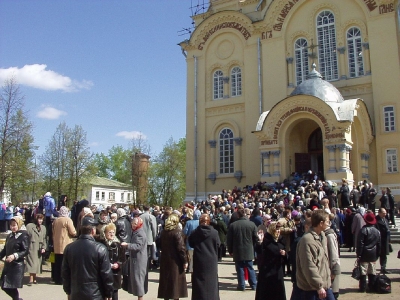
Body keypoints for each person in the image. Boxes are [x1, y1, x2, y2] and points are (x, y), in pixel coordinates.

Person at [62, 216, 114, 300]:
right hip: (95, 294)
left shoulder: (69, 248)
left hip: (76, 293)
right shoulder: (100, 249)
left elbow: (65, 273)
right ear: (93, 231)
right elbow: (106, 274)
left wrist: (68, 291)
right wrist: (109, 293)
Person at [296, 209, 334, 300]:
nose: (329, 224)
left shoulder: (323, 236)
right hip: (311, 289)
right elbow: (309, 265)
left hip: (324, 285)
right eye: (327, 222)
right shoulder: (307, 240)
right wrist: (318, 286)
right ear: (321, 223)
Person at [188, 214, 220, 300]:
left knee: (199, 282)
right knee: (211, 282)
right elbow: (218, 244)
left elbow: (191, 243)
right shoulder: (214, 233)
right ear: (209, 222)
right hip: (211, 260)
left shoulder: (195, 232)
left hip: (199, 259)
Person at [157, 214, 188, 300]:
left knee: (166, 282)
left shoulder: (163, 232)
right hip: (175, 261)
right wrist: (185, 261)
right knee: (175, 285)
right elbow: (181, 248)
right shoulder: (177, 232)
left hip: (165, 259)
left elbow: (158, 243)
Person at [227, 208, 259, 291]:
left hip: (237, 249)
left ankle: (241, 285)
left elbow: (229, 240)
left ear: (238, 215)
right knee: (250, 267)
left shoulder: (233, 225)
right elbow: (256, 238)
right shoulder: (251, 224)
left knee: (240, 268)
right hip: (249, 248)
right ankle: (254, 284)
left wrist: (230, 250)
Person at [255, 221, 286, 300]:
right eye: (276, 229)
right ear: (272, 229)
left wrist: (284, 254)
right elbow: (259, 252)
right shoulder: (266, 239)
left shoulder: (281, 239)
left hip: (278, 271)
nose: (278, 231)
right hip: (267, 271)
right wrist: (260, 241)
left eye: (279, 229)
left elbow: (286, 256)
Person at [0, 217, 29, 300]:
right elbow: (5, 249)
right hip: (8, 265)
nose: (12, 227)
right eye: (11, 225)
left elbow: (25, 250)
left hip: (17, 266)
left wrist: (14, 255)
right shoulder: (9, 236)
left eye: (14, 225)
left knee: (11, 286)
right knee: (4, 285)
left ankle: (16, 299)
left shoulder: (24, 235)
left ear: (18, 225)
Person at [121, 217, 148, 300]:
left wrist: (127, 245)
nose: (133, 225)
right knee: (137, 280)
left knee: (138, 280)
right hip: (136, 259)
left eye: (135, 224)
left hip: (139, 260)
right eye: (132, 223)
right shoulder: (136, 232)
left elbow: (138, 246)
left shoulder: (140, 233)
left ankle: (140, 297)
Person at [356, 211, 381, 293]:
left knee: (363, 272)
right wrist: (378, 254)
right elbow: (379, 244)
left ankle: (362, 287)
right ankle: (372, 287)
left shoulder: (363, 230)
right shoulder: (377, 231)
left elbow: (360, 244)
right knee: (372, 271)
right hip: (373, 253)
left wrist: (358, 254)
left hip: (364, 254)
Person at [52, 206, 76, 285]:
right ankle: (63, 279)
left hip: (56, 244)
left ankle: (56, 278)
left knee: (57, 263)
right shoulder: (68, 220)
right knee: (64, 263)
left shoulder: (56, 220)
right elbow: (72, 232)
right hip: (65, 243)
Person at [102, 223, 125, 300]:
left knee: (114, 293)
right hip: (104, 272)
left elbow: (123, 258)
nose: (112, 234)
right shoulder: (102, 244)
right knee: (104, 293)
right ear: (105, 233)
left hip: (115, 273)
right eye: (109, 232)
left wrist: (118, 264)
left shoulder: (118, 244)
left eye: (113, 232)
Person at [25, 214, 47, 285]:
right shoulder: (29, 226)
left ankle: (34, 278)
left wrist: (44, 247)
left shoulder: (43, 228)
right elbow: (26, 237)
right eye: (39, 219)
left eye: (41, 219)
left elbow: (44, 238)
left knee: (37, 263)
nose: (40, 221)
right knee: (32, 263)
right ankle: (31, 279)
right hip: (31, 246)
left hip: (39, 247)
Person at [324, 214, 341, 299]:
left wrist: (334, 270)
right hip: (329, 268)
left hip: (332, 267)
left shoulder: (329, 235)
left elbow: (334, 253)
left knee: (333, 293)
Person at [139, 205, 157, 270]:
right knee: (148, 253)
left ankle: (143, 266)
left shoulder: (140, 216)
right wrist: (155, 237)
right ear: (149, 209)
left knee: (142, 253)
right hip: (149, 238)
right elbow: (154, 228)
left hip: (141, 237)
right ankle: (148, 266)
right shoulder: (152, 217)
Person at [375, 208, 390, 274]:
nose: (385, 214)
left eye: (385, 213)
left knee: (384, 255)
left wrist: (389, 240)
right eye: (383, 213)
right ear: (379, 213)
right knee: (376, 255)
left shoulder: (385, 220)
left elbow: (388, 230)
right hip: (378, 241)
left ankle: (383, 268)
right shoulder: (376, 220)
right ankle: (371, 269)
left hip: (385, 241)